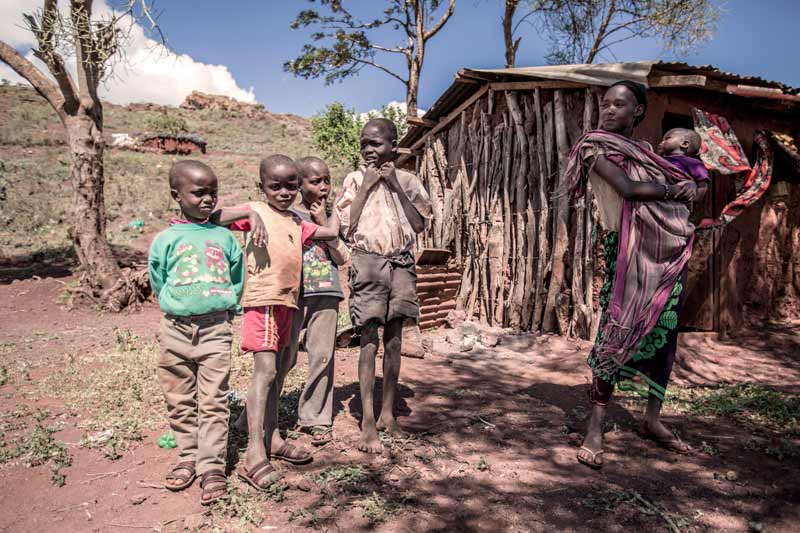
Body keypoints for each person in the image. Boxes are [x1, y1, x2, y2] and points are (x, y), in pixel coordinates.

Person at [562, 81, 700, 469]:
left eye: (619, 105)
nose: (609, 110)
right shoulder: (593, 147)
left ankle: (652, 419)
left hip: (666, 251)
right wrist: (674, 191)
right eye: (606, 104)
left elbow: (682, 186)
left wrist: (686, 185)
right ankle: (595, 425)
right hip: (624, 251)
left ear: (637, 111)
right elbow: (626, 188)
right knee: (616, 328)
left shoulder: (647, 153)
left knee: (666, 329)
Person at [214, 154, 340, 491]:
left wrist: (331, 206)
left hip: (287, 302)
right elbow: (213, 215)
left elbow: (330, 232)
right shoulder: (257, 209)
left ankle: (272, 438)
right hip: (263, 301)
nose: (283, 192)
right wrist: (248, 212)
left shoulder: (297, 223)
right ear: (262, 187)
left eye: (290, 186)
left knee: (283, 364)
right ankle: (254, 454)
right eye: (275, 186)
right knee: (266, 372)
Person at [148, 160, 246, 505]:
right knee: (179, 399)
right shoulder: (165, 240)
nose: (208, 199)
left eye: (213, 193)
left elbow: (237, 278)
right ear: (176, 195)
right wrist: (179, 305)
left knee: (214, 401)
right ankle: (187, 456)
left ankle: (212, 467)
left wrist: (224, 306)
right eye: (199, 192)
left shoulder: (223, 237)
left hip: (215, 329)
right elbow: (158, 280)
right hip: (174, 330)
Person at [335, 118, 432, 453]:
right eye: (364, 144)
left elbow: (419, 224)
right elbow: (346, 227)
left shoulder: (408, 179)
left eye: (375, 144)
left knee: (394, 339)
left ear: (393, 145)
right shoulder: (353, 180)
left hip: (401, 262)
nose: (368, 150)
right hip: (368, 262)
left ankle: (389, 414)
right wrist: (367, 186)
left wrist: (393, 184)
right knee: (368, 339)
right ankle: (367, 421)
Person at [287, 156, 350, 446]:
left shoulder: (334, 216)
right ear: (299, 184)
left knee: (322, 357)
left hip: (326, 292)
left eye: (327, 180)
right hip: (293, 295)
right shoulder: (288, 215)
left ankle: (315, 417)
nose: (323, 186)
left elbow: (342, 256)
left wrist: (324, 221)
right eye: (315, 181)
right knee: (281, 357)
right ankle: (259, 414)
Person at [657, 128, 710, 202]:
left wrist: (696, 198)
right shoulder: (658, 159)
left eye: (667, 139)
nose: (662, 142)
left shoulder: (693, 163)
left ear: (684, 144)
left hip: (678, 197)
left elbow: (702, 183)